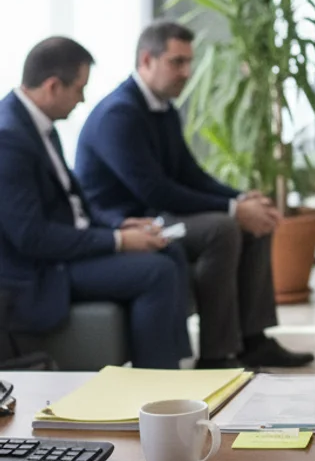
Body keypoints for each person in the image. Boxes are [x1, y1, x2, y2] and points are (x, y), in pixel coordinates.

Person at [74, 22, 314, 369]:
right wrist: (232, 210)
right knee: (223, 228)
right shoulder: (120, 114)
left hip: (159, 212)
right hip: (133, 221)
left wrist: (241, 198)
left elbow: (189, 174)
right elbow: (154, 190)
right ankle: (217, 355)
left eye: (189, 62)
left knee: (256, 219)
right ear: (146, 60)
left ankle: (253, 340)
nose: (187, 72)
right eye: (177, 62)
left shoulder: (161, 107)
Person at [0, 37, 190, 369]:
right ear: (53, 86)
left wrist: (118, 225)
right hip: (41, 270)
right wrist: (116, 241)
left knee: (166, 249)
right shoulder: (9, 138)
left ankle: (174, 365)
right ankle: (154, 386)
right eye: (79, 88)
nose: (83, 99)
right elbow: (32, 237)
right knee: (155, 272)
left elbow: (73, 205)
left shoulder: (39, 123)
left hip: (64, 250)